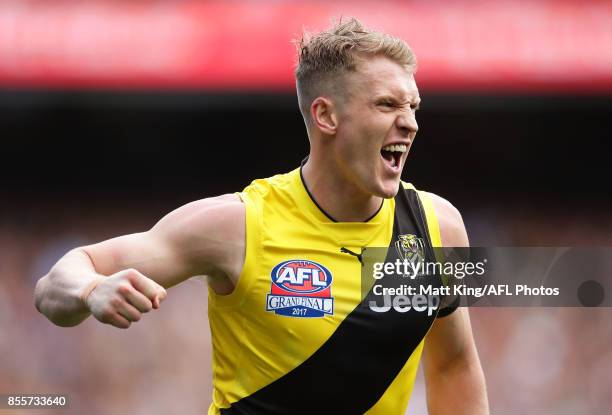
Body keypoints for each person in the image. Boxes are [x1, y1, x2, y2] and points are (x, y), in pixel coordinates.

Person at [35, 18, 488, 415]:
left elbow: (454, 364)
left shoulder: (438, 226)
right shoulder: (238, 226)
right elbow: (56, 284)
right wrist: (92, 290)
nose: (410, 122)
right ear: (326, 115)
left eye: (413, 106)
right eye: (387, 105)